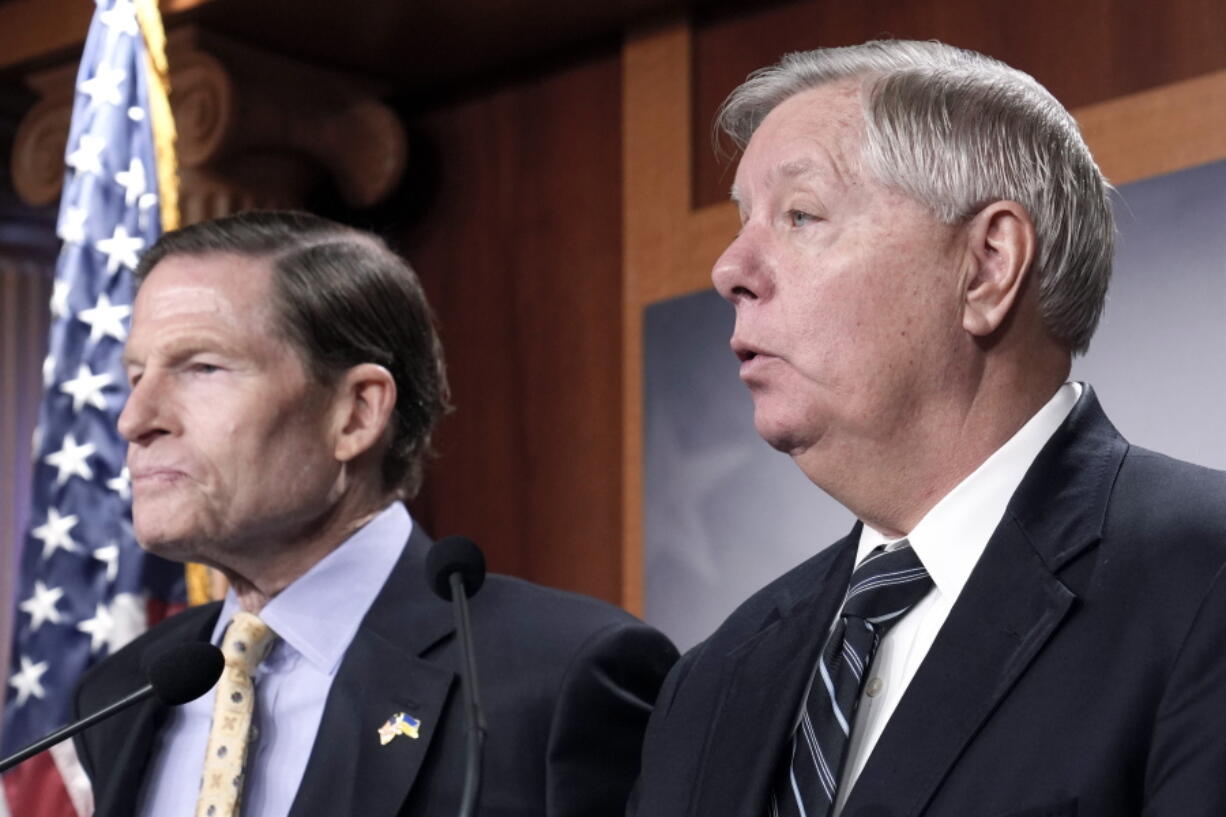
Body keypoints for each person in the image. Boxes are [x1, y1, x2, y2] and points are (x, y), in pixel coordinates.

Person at [631, 40, 1226, 817]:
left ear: (985, 266)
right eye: (744, 222)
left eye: (800, 214)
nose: (729, 268)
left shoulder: (1202, 581)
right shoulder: (711, 679)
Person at [70, 210, 678, 817]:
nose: (135, 420)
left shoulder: (559, 675)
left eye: (203, 368)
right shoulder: (123, 692)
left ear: (357, 413)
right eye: (135, 375)